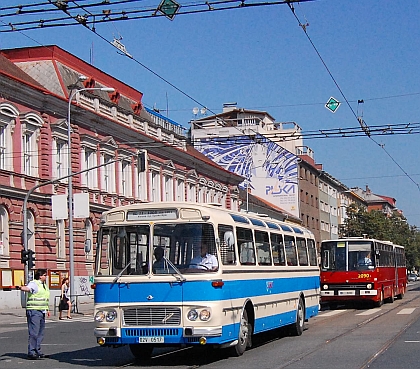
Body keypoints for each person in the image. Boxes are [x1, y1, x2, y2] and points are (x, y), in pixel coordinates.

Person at [16, 268, 50, 360]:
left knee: (40, 333)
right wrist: (20, 287)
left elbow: (44, 298)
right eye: (44, 275)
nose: (46, 276)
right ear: (40, 276)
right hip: (34, 311)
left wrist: (47, 309)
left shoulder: (44, 285)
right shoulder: (34, 283)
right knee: (34, 333)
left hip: (41, 311)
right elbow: (27, 288)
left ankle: (37, 351)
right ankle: (31, 352)